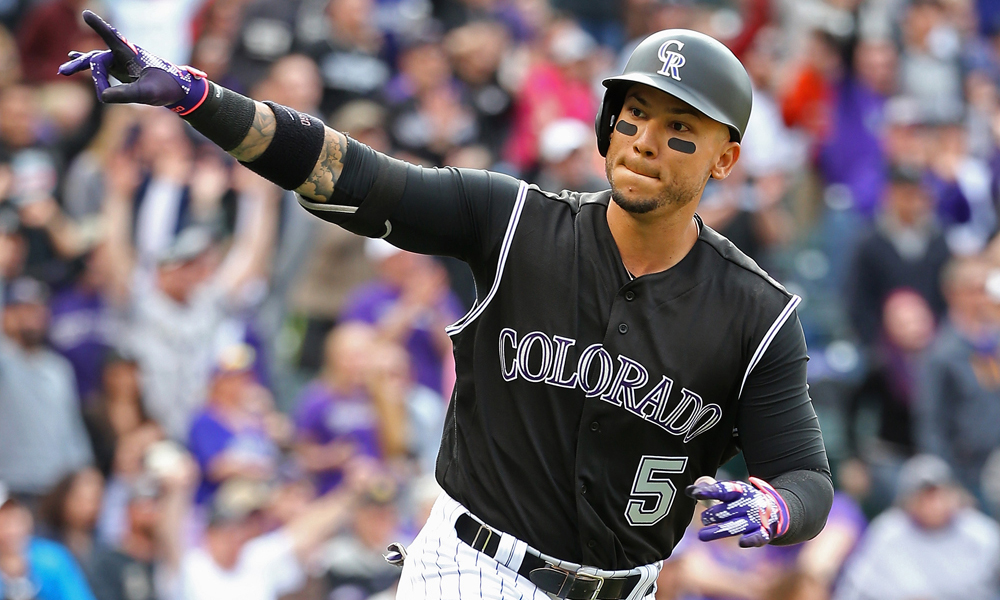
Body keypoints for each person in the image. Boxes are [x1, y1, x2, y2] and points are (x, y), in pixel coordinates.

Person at [62, 17, 833, 600]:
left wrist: (775, 506)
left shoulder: (756, 313)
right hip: (470, 566)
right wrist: (203, 100)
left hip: (626, 586)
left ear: (726, 157)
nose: (644, 141)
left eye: (679, 129)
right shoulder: (514, 222)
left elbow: (804, 476)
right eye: (633, 115)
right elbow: (353, 178)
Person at [833, 455, 1000, 600]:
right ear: (907, 500)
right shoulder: (886, 533)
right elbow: (852, 591)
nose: (934, 505)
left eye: (938, 494)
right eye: (924, 496)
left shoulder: (982, 533)